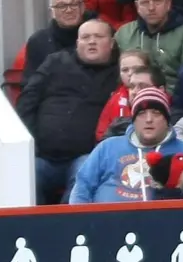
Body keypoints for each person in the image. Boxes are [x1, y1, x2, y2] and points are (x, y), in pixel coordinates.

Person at [16, 19, 119, 204]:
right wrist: (32, 143)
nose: (91, 41)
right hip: (43, 156)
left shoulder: (120, 72)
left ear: (111, 43)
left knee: (83, 175)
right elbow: (27, 100)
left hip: (86, 156)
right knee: (23, 177)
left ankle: (64, 230)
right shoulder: (55, 62)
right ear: (77, 43)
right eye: (85, 37)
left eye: (98, 36)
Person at [70, 87, 183, 203]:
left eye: (156, 113)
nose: (149, 119)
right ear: (133, 120)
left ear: (167, 120)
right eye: (142, 113)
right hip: (107, 222)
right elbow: (82, 187)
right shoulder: (107, 147)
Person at [115, 0, 183, 94]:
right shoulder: (124, 33)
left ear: (168, 4)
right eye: (145, 3)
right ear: (137, 7)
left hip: (173, 101)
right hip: (131, 99)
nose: (151, 8)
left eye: (157, 2)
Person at [96, 49, 151, 141]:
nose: (130, 73)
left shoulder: (157, 95)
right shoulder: (115, 99)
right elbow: (101, 132)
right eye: (125, 70)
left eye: (137, 69)